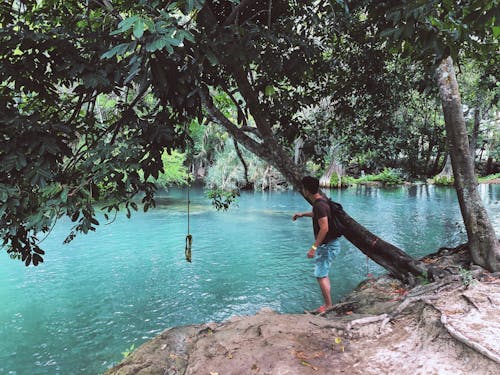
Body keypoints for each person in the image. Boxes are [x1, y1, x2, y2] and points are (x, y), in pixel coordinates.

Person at [292, 176, 341, 313]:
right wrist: (302, 214)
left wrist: (313, 248)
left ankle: (328, 306)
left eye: (303, 188)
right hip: (331, 244)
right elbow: (318, 214)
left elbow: (324, 227)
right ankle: (328, 303)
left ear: (306, 191)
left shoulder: (319, 205)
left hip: (327, 246)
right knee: (323, 274)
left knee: (320, 275)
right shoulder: (322, 201)